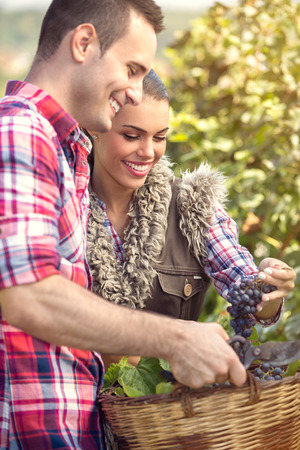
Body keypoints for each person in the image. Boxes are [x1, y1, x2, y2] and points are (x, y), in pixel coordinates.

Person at [0, 1, 253, 449]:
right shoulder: (22, 131)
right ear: (83, 43)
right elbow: (26, 293)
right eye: (133, 69)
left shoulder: (66, 152)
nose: (136, 93)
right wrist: (176, 339)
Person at [85, 69, 296, 366]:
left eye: (160, 137)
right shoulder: (64, 205)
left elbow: (246, 291)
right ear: (97, 125)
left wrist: (267, 285)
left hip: (167, 409)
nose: (148, 152)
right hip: (73, 406)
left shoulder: (192, 207)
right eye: (131, 136)